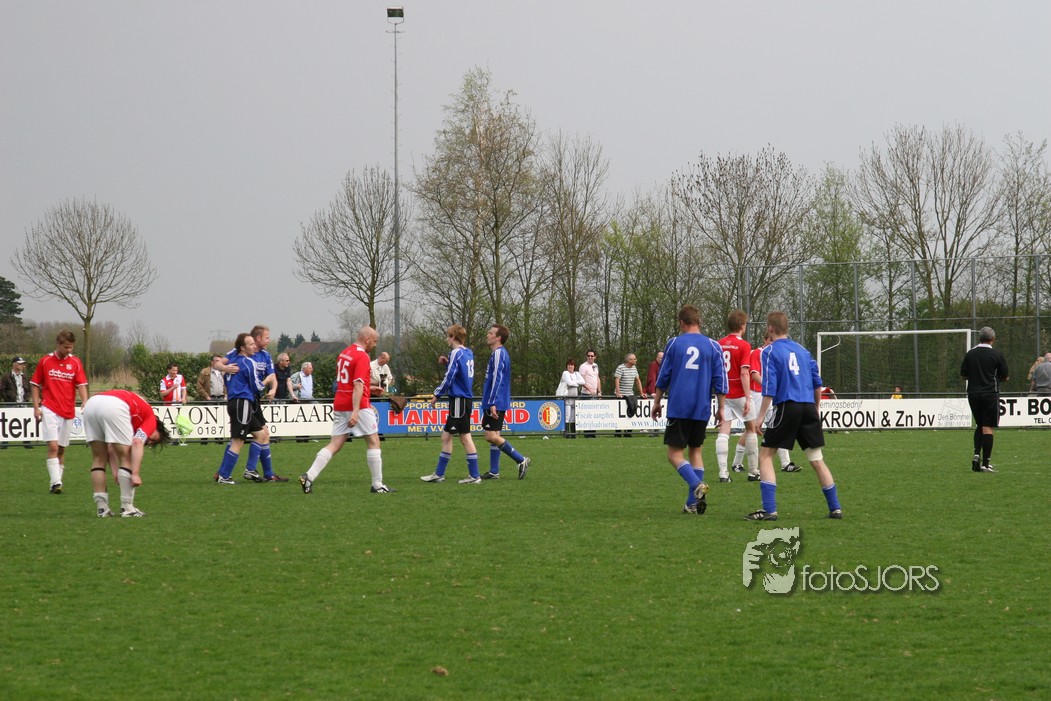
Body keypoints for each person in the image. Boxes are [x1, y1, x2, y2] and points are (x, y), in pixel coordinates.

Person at [745, 311, 842, 521]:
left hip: (787, 407)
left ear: (770, 328)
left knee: (765, 455)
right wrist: (816, 408)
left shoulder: (769, 351)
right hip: (808, 407)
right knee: (816, 459)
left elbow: (770, 387)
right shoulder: (803, 351)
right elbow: (817, 384)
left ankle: (769, 510)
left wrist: (760, 417)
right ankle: (835, 508)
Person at [299, 326, 394, 494]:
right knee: (373, 441)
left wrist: (370, 388)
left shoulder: (345, 353)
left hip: (340, 402)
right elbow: (357, 385)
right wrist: (356, 411)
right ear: (367, 339)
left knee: (335, 444)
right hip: (357, 404)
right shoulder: (362, 356)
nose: (374, 345)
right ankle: (377, 485)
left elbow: (349, 381)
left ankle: (309, 476)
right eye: (374, 341)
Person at [651, 305, 727, 515]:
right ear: (699, 322)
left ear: (681, 323)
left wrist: (657, 401)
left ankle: (696, 484)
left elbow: (664, 375)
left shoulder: (674, 343)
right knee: (696, 451)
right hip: (701, 407)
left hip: (679, 406)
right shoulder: (713, 346)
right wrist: (721, 408)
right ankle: (692, 504)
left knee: (674, 454)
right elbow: (720, 380)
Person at [82, 389, 170, 517]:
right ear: (158, 428)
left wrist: (115, 472)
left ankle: (102, 509)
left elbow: (110, 447)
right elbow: (137, 442)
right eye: (154, 439)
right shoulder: (151, 418)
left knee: (98, 459)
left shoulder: (134, 419)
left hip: (91, 404)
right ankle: (127, 508)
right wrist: (135, 474)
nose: (149, 441)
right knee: (126, 457)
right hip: (115, 405)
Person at [223, 324, 284, 482]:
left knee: (261, 434)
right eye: (251, 344)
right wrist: (266, 382)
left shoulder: (243, 359)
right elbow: (256, 385)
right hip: (243, 401)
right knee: (238, 440)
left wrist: (273, 387)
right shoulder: (246, 361)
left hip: (244, 401)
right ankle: (224, 475)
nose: (254, 347)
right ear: (244, 347)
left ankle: (254, 471)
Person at [421, 324, 480, 484]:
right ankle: (439, 474)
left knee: (465, 437)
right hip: (463, 399)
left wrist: (436, 395)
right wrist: (448, 362)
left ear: (453, 337)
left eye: (448, 336)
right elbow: (459, 371)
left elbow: (450, 377)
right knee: (446, 437)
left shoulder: (456, 353)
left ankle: (475, 476)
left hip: (459, 399)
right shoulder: (467, 352)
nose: (447, 339)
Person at [31, 330, 89, 494]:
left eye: (71, 347)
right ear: (58, 344)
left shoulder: (75, 362)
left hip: (68, 410)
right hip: (49, 408)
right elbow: (35, 384)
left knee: (62, 449)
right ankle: (55, 483)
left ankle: (57, 482)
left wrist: (85, 400)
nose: (68, 350)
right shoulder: (45, 361)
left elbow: (81, 384)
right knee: (53, 446)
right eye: (66, 347)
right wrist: (36, 407)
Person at [479, 324, 531, 480]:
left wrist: (492, 402)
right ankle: (494, 471)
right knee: (495, 434)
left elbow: (498, 378)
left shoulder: (498, 354)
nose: (488, 335)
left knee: (490, 435)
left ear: (498, 338)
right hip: (498, 400)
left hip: (495, 401)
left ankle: (521, 459)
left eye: (491, 333)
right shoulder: (499, 353)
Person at [961, 326, 1010, 472]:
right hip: (990, 393)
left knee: (979, 425)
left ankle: (977, 455)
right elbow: (1005, 376)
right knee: (987, 427)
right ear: (993, 339)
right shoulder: (997, 355)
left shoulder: (970, 354)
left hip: (973, 394)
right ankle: (986, 463)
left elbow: (963, 374)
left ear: (979, 338)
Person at [716, 310, 757, 483]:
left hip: (723, 394)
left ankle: (723, 474)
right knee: (751, 429)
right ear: (742, 325)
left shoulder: (719, 344)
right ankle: (753, 472)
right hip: (739, 393)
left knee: (724, 431)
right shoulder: (744, 345)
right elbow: (744, 373)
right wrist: (748, 397)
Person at [613, 353, 646, 436]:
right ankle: (618, 433)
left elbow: (637, 380)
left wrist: (641, 393)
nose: (636, 360)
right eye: (634, 359)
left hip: (630, 394)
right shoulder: (621, 367)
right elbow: (617, 380)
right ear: (629, 360)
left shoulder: (634, 368)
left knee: (631, 411)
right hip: (621, 395)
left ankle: (628, 433)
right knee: (619, 414)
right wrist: (618, 392)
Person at [557, 358, 585, 438]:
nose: (570, 366)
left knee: (573, 417)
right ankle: (566, 434)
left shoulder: (576, 373)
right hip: (568, 397)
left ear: (574, 366)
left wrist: (574, 381)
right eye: (569, 365)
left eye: (572, 365)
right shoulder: (565, 373)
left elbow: (583, 381)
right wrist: (576, 383)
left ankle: (573, 434)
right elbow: (569, 383)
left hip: (575, 398)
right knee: (567, 416)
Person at [579, 350, 601, 437]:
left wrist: (599, 391)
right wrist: (590, 390)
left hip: (595, 394)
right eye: (588, 356)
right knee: (587, 415)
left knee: (594, 415)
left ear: (595, 357)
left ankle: (593, 433)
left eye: (592, 356)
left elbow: (597, 378)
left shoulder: (596, 366)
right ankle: (587, 434)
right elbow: (581, 381)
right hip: (586, 394)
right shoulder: (583, 366)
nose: (590, 357)